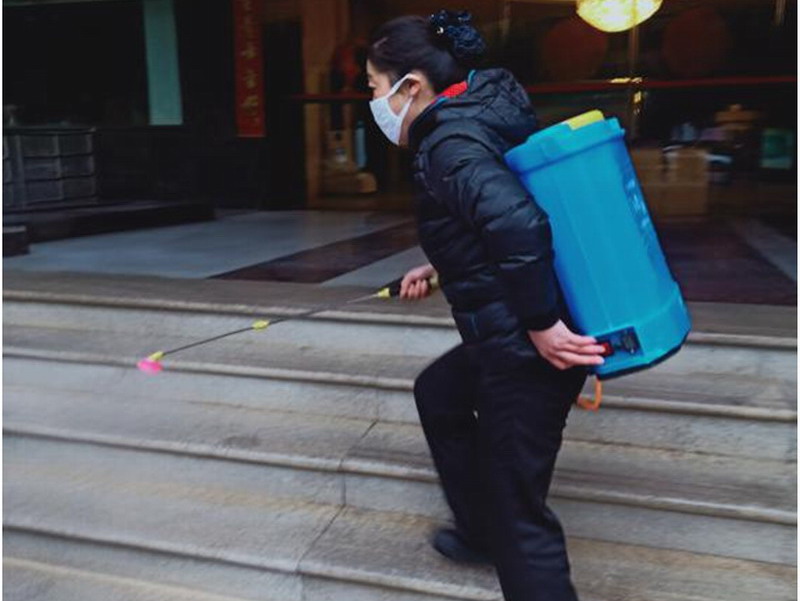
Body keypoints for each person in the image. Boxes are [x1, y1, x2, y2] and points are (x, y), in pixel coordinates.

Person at [365, 9, 607, 601]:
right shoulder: (475, 115)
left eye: (374, 87)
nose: (372, 101)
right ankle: (478, 532)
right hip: (506, 333)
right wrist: (439, 266)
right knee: (439, 393)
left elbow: (518, 225)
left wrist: (542, 324)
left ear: (410, 86)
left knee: (517, 512)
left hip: (528, 345)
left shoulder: (448, 143)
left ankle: (495, 531)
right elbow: (490, 217)